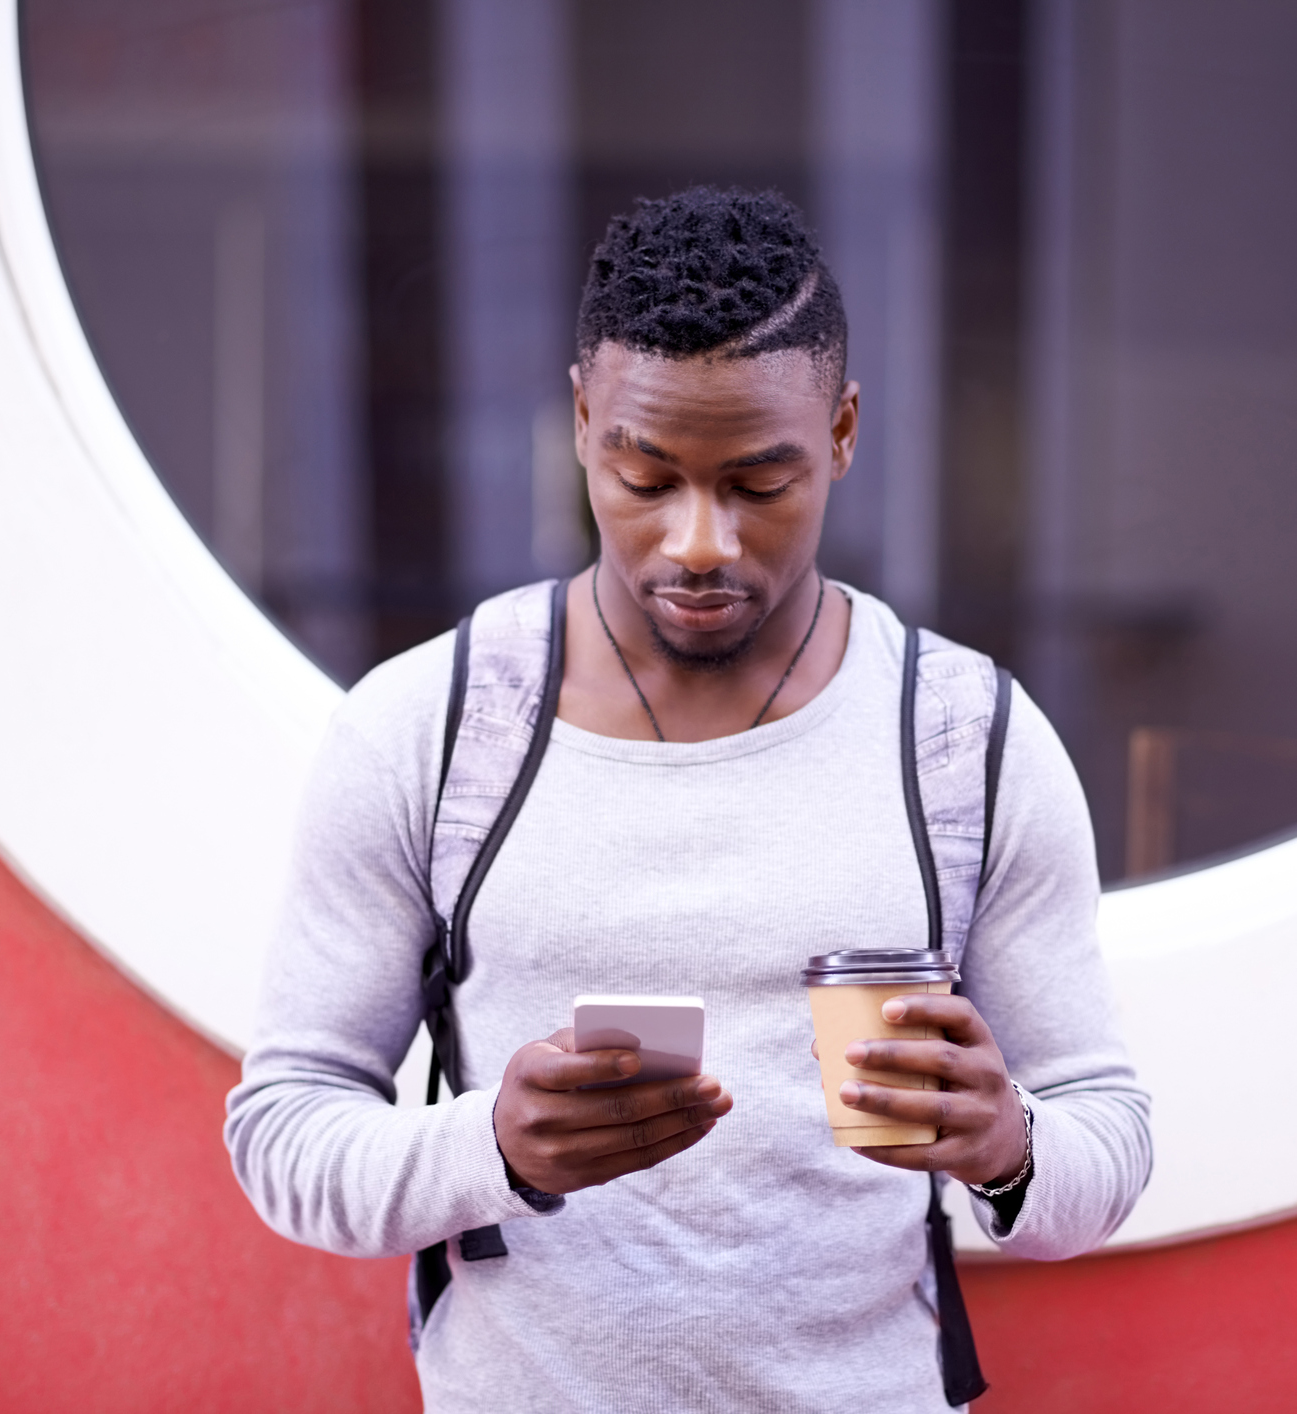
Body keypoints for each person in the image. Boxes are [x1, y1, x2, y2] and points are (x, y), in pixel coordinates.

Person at [225, 186, 1151, 1412]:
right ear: (578, 420)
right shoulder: (432, 730)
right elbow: (283, 1132)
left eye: (758, 484)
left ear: (841, 432)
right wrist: (487, 1147)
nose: (698, 541)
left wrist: (1009, 1143)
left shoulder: (962, 738)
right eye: (644, 475)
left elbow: (1108, 1134)